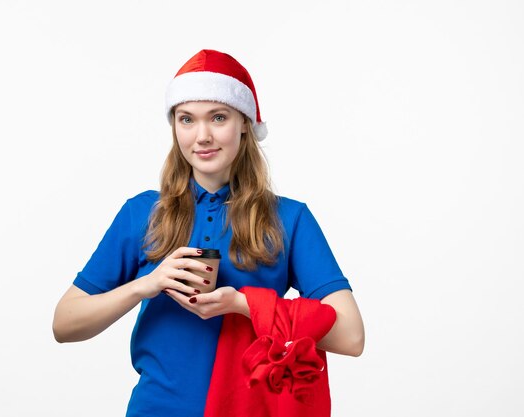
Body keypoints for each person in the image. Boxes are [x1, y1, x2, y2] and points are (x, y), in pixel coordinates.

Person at [53, 49, 364, 417]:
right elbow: (65, 323)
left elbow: (351, 336)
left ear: (244, 123)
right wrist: (146, 284)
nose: (202, 136)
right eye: (187, 119)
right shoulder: (141, 213)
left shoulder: (289, 218)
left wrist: (243, 305)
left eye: (218, 117)